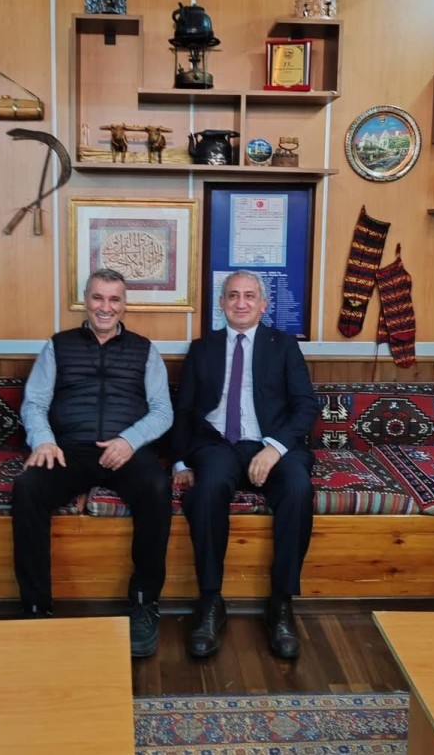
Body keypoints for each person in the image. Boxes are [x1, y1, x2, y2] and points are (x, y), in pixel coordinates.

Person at [12, 268, 173, 658]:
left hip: (126, 450)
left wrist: (129, 440)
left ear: (124, 304)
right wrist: (44, 440)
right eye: (98, 297)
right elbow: (34, 403)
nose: (106, 307)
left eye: (114, 299)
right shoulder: (57, 346)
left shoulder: (145, 350)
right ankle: (36, 608)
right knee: (27, 488)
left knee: (157, 487)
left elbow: (162, 411)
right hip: (68, 449)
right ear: (85, 300)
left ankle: (144, 602)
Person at [171, 269, 319, 659]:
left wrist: (275, 447)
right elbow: (184, 409)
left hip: (272, 444)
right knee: (207, 490)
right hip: (218, 444)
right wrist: (181, 461)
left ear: (263, 304)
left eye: (249, 296)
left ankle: (281, 603)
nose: (241, 303)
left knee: (298, 488)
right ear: (221, 303)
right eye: (233, 295)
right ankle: (210, 601)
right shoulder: (203, 348)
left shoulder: (283, 345)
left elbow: (306, 405)